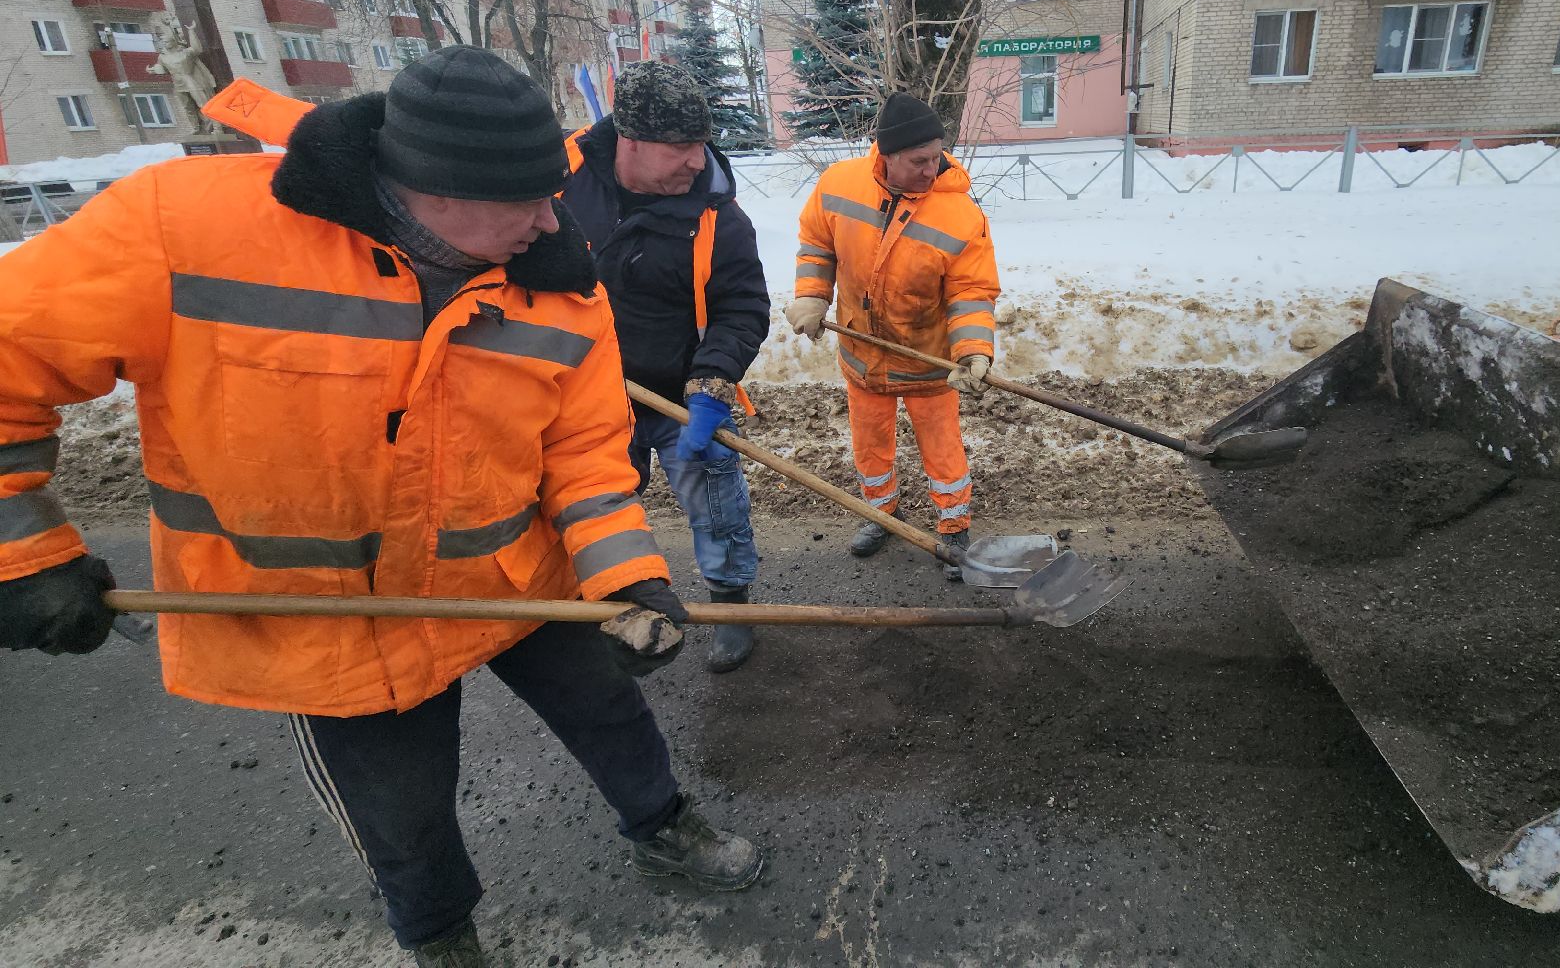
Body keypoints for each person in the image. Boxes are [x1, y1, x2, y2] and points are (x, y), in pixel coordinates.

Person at [0, 47, 762, 967]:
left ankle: (661, 823)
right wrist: (21, 551)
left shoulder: (561, 287)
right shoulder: (185, 225)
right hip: (335, 615)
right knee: (400, 811)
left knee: (611, 710)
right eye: (524, 201)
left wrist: (629, 577)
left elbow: (585, 455)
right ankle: (444, 940)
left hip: (514, 578)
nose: (551, 220)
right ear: (430, 185)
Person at [560, 62, 769, 672]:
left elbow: (743, 305)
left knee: (717, 498)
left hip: (677, 393)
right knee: (590, 510)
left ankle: (730, 606)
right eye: (679, 147)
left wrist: (710, 384)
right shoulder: (559, 182)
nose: (694, 161)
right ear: (629, 139)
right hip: (582, 394)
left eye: (701, 144)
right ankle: (607, 609)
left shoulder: (717, 215)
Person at [783, 93, 1000, 579]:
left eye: (937, 156)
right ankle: (883, 515)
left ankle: (953, 528)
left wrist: (972, 350)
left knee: (943, 448)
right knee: (870, 445)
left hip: (928, 358)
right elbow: (817, 243)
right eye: (918, 161)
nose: (932, 169)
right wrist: (813, 295)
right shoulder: (839, 184)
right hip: (862, 353)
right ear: (885, 154)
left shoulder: (961, 215)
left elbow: (970, 291)